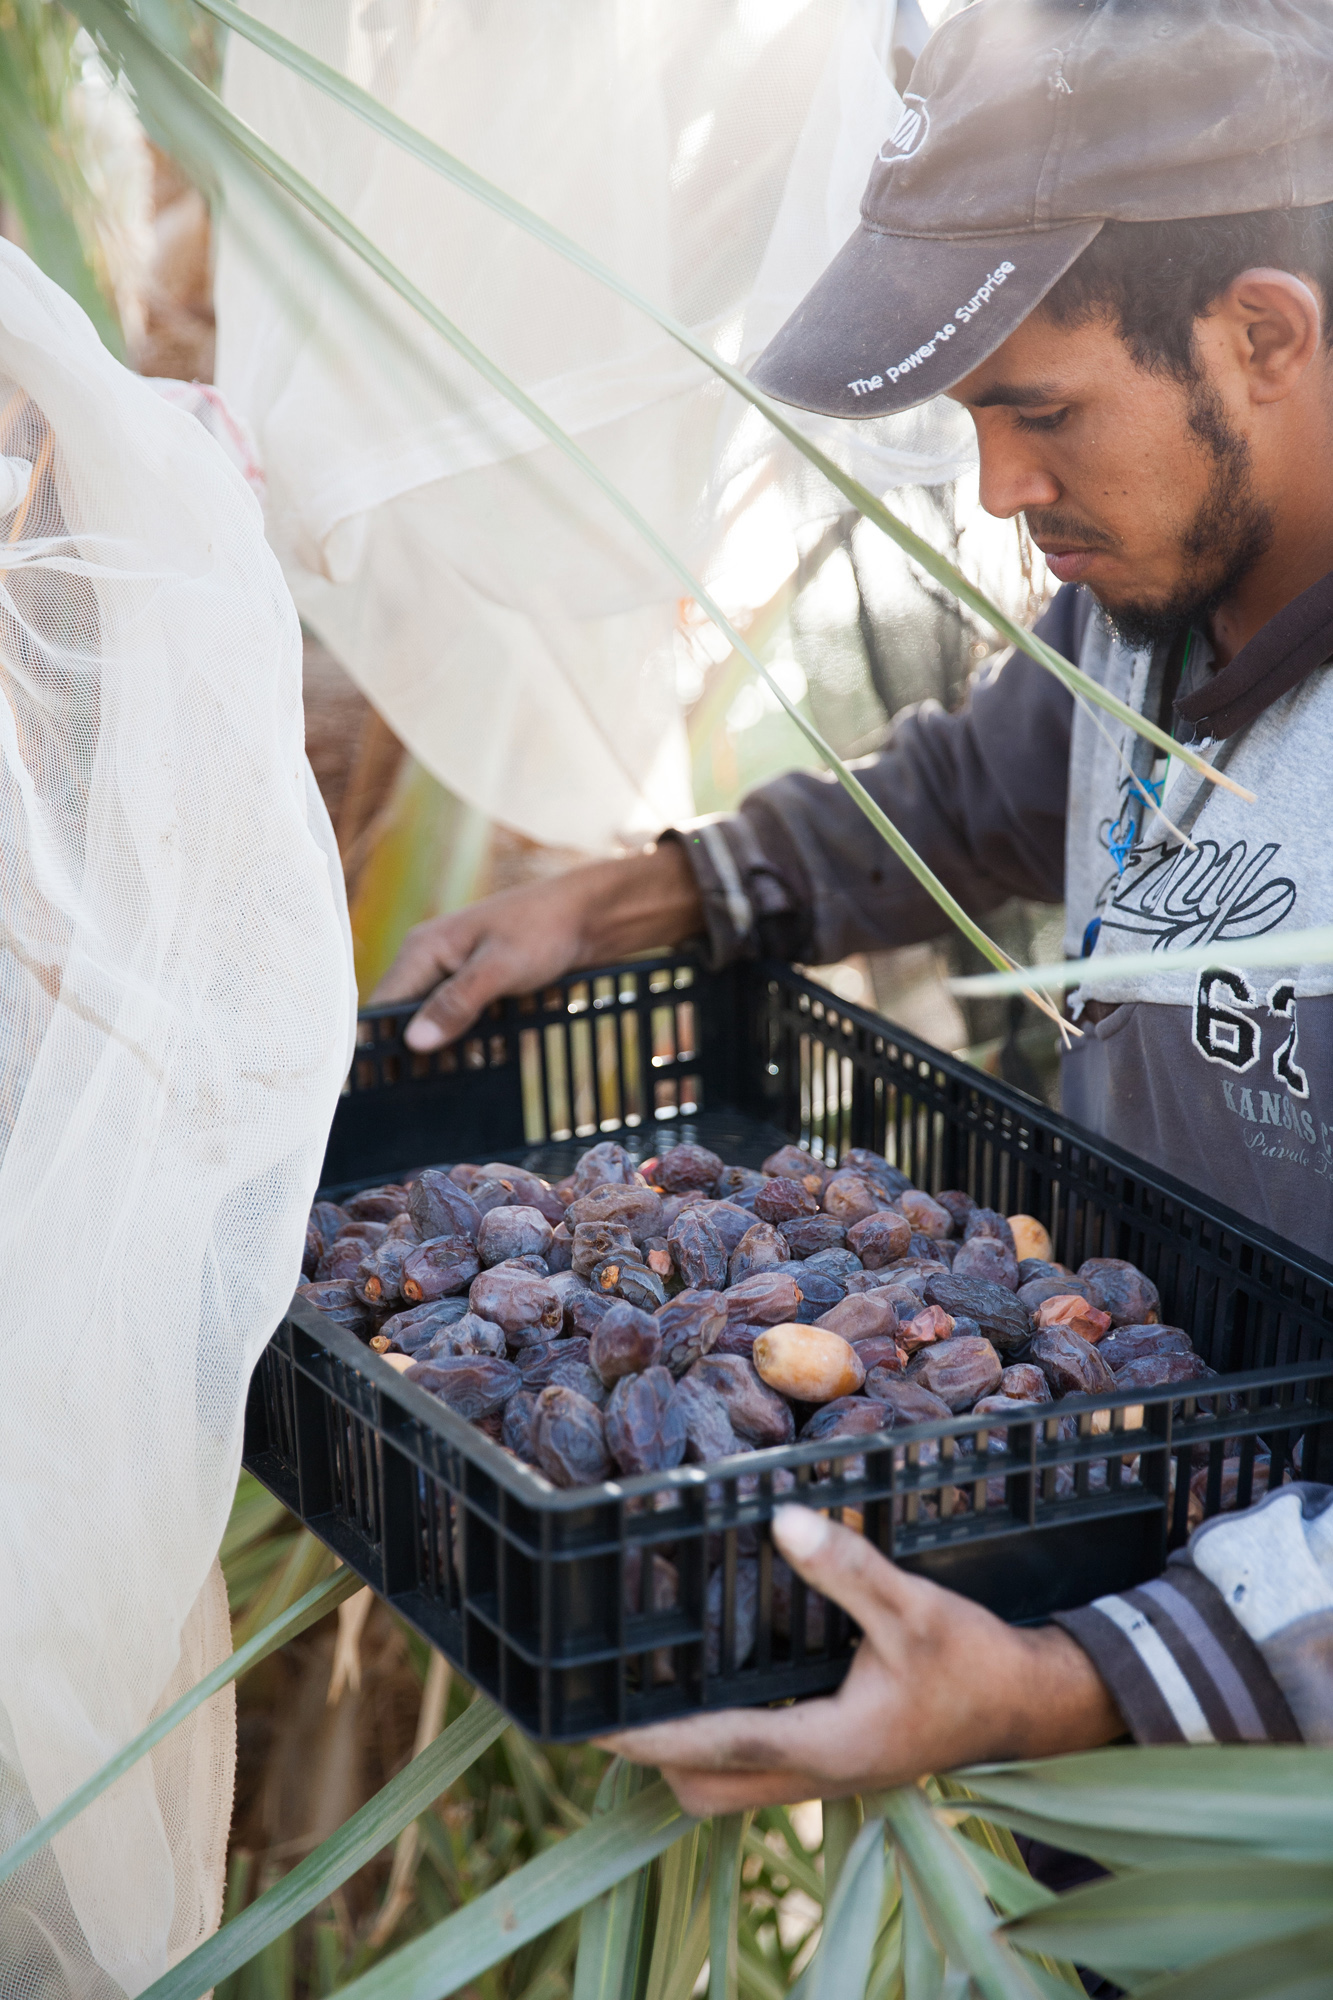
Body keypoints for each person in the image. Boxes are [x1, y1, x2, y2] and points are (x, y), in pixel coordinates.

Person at [377, 0, 1333, 1797]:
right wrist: (637, 899)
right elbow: (973, 790)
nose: (996, 492)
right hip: (1124, 1569)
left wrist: (1057, 1687)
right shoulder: (1152, 597)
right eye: (975, 419)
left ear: (1263, 330)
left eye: (1039, 412)